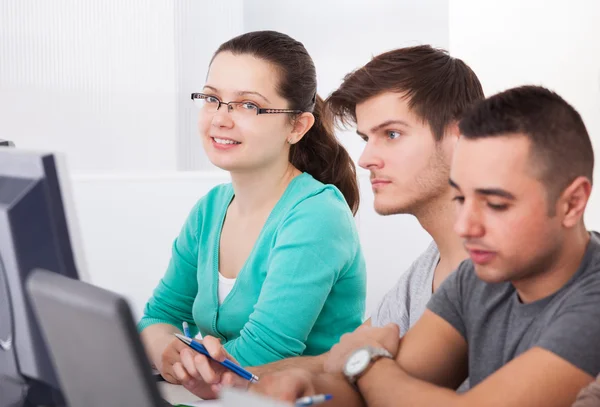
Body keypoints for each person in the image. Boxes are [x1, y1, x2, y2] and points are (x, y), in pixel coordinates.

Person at [251, 85, 600, 407]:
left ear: (572, 203)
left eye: (495, 204)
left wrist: (365, 360)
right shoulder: (474, 279)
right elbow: (380, 393)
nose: (465, 226)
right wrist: (304, 389)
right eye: (461, 198)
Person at [181, 45, 485, 397]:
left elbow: (367, 367)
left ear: (462, 134)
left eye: (392, 134)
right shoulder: (426, 270)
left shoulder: (495, 271)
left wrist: (362, 360)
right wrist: (236, 377)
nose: (367, 158)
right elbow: (339, 360)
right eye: (366, 138)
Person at [137, 30, 367, 398]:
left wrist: (192, 367)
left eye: (247, 105)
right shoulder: (209, 209)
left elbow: (266, 353)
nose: (220, 119)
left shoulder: (317, 215)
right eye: (212, 99)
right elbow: (157, 316)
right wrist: (168, 351)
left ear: (297, 126)